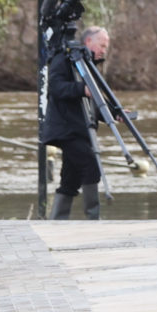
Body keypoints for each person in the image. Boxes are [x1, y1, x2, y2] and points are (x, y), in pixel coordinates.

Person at [41, 25, 109, 220]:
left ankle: (57, 221)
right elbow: (56, 88)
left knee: (70, 178)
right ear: (88, 41)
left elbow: (93, 100)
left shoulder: (89, 64)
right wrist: (81, 89)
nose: (104, 50)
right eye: (102, 45)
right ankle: (93, 218)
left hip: (80, 128)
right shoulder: (65, 58)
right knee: (91, 165)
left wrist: (113, 113)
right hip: (66, 128)